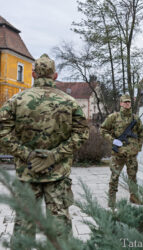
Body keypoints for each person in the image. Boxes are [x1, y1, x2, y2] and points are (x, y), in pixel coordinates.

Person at [0, 54, 89, 243]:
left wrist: (27, 155)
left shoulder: (16, 101)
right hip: (57, 175)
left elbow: (3, 133)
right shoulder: (69, 102)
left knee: (25, 226)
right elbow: (82, 134)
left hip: (27, 172)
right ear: (55, 76)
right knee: (59, 229)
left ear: (33, 74)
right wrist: (54, 156)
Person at [100, 94, 143, 207]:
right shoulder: (113, 117)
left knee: (133, 177)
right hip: (118, 153)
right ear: (120, 103)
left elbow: (141, 133)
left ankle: (134, 197)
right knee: (114, 177)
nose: (127, 104)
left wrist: (138, 147)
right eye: (125, 102)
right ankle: (111, 200)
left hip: (131, 154)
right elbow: (103, 130)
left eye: (128, 102)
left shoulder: (135, 118)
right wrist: (113, 140)